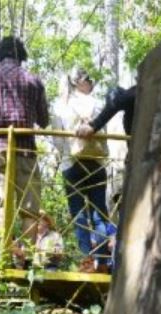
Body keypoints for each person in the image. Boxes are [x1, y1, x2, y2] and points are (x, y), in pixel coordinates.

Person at [0, 36, 49, 246]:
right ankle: (26, 259)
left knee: (0, 204)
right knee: (30, 207)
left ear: (0, 54)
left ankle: (5, 255)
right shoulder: (33, 80)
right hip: (26, 149)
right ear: (22, 54)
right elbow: (44, 120)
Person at [53, 67, 110, 270]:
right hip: (96, 162)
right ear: (78, 82)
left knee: (79, 213)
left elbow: (57, 139)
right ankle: (102, 260)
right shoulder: (97, 103)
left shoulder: (61, 105)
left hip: (72, 163)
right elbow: (104, 130)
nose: (91, 82)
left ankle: (86, 259)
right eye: (88, 79)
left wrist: (67, 154)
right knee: (99, 212)